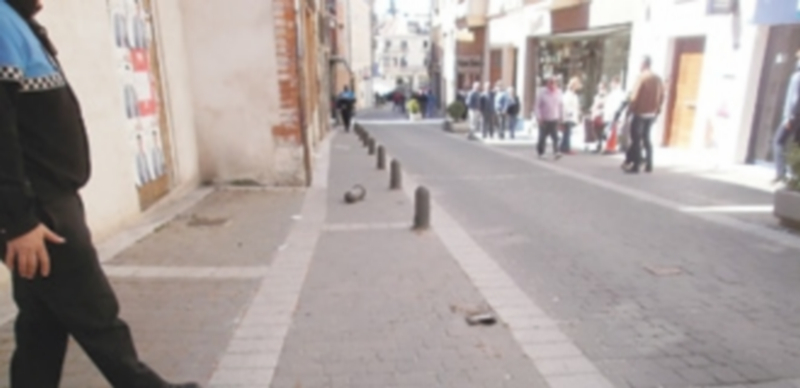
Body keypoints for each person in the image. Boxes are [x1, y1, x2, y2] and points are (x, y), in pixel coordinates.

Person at [0, 1, 200, 387]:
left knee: (42, 326)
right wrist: (20, 222)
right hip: (41, 213)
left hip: (50, 203)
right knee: (97, 317)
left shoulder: (18, 22)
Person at [623, 56, 665, 174]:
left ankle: (636, 165)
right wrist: (657, 109)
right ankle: (649, 164)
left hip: (640, 112)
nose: (639, 66)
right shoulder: (658, 78)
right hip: (651, 113)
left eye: (640, 64)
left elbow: (635, 96)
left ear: (644, 64)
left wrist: (630, 110)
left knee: (636, 139)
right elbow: (662, 95)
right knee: (646, 138)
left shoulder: (641, 78)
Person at [772, 51, 800, 184]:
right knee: (796, 145)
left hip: (793, 116)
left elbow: (792, 99)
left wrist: (788, 117)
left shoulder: (796, 77)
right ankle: (794, 174)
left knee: (778, 141)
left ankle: (781, 172)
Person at [535, 76, 563, 159]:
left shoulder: (559, 92)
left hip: (554, 118)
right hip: (544, 119)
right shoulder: (542, 92)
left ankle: (556, 151)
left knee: (555, 137)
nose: (552, 85)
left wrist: (561, 118)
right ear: (547, 83)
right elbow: (537, 106)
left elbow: (561, 106)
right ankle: (541, 152)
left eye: (554, 83)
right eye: (550, 82)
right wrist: (539, 117)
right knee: (542, 137)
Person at [603, 76, 626, 153]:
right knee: (609, 131)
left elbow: (619, 106)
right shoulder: (613, 93)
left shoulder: (620, 93)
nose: (611, 84)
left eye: (613, 83)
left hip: (615, 115)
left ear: (617, 83)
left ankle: (611, 147)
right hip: (610, 115)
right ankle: (609, 146)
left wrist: (618, 116)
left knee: (612, 132)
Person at [560, 77, 581, 154]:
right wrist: (569, 113)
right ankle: (566, 147)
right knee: (567, 132)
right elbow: (565, 105)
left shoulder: (572, 94)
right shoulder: (569, 94)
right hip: (568, 116)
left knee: (567, 132)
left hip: (570, 115)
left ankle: (563, 146)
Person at [591, 82, 608, 153]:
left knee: (601, 131)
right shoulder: (597, 95)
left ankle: (600, 145)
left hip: (602, 115)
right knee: (596, 131)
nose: (599, 89)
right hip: (596, 114)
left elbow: (605, 104)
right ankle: (598, 145)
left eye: (601, 87)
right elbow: (594, 105)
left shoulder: (605, 95)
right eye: (599, 87)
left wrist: (601, 104)